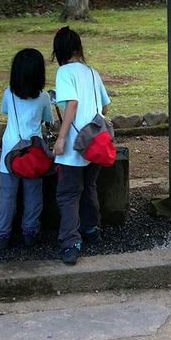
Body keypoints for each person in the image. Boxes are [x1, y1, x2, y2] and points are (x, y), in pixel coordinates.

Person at [51, 27, 111, 265]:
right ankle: (92, 229)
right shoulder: (92, 72)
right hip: (95, 142)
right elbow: (105, 108)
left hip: (75, 145)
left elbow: (72, 105)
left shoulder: (65, 72)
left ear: (60, 50)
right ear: (78, 47)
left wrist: (61, 137)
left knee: (68, 193)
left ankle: (71, 243)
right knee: (89, 186)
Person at [0, 48, 53, 250]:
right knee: (33, 194)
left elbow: (5, 111)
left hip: (11, 153)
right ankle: (30, 232)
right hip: (33, 153)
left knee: (7, 195)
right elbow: (47, 120)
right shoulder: (44, 97)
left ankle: (1, 234)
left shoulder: (8, 94)